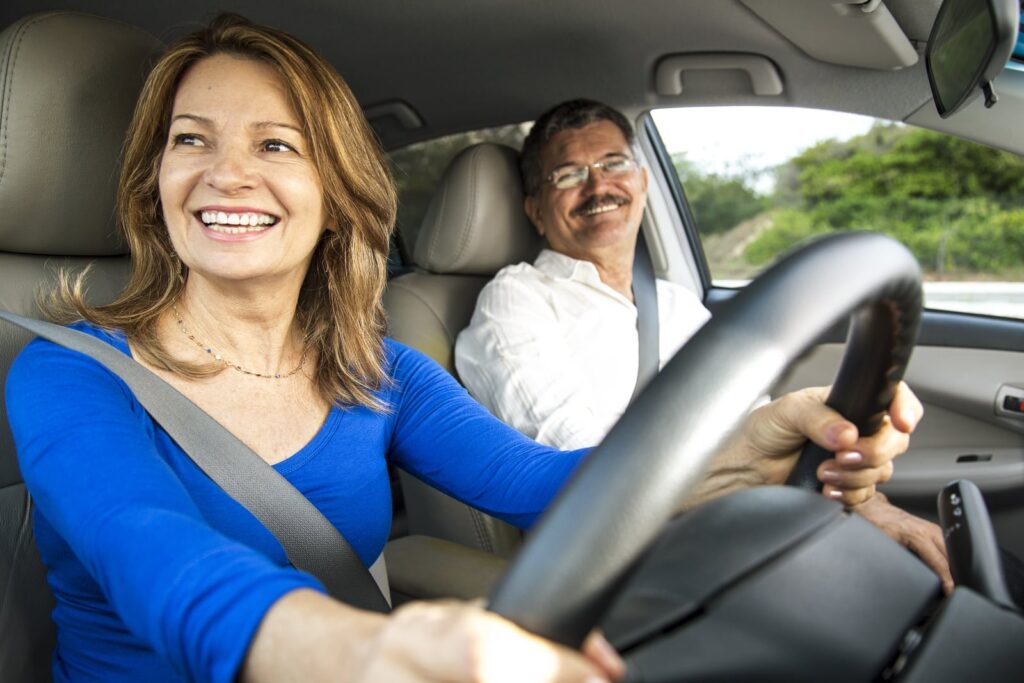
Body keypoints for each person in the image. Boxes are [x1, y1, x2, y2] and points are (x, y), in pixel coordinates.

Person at [5, 16, 920, 683]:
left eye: (275, 144)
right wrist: (371, 649)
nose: (226, 172)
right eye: (189, 141)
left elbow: (549, 484)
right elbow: (159, 561)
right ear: (156, 180)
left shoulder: (382, 372)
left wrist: (751, 446)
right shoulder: (69, 373)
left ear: (336, 193)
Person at [454, 98, 951, 587]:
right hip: (632, 573)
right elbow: (589, 482)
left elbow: (752, 416)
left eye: (614, 163)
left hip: (739, 531)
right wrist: (760, 470)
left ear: (643, 183)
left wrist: (864, 501)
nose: (598, 185)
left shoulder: (675, 303)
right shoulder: (514, 302)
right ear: (536, 211)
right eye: (568, 174)